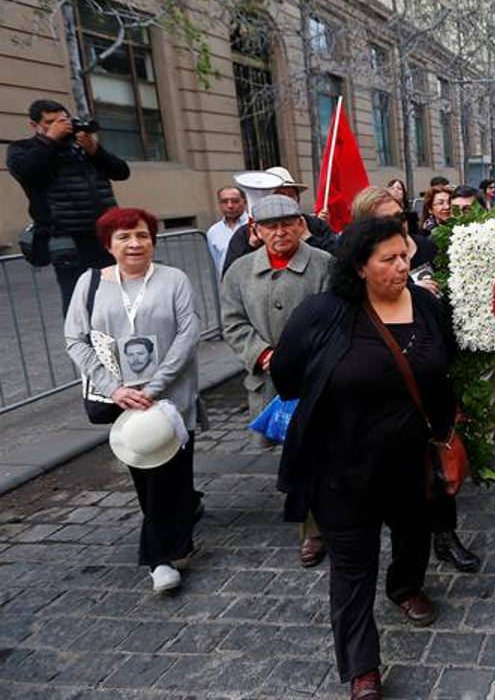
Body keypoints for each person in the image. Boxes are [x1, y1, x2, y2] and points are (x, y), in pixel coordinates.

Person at [272, 217, 457, 698]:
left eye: (406, 255)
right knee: (353, 569)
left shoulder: (427, 305)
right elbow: (288, 378)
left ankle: (406, 587)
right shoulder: (321, 313)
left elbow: (445, 365)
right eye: (390, 259)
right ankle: (362, 668)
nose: (403, 266)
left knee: (414, 536)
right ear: (359, 267)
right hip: (342, 468)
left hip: (413, 463)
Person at [64, 207, 201, 593]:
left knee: (171, 470)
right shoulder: (89, 283)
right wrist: (113, 388)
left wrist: (155, 387)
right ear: (108, 245)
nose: (135, 243)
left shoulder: (174, 279)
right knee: (147, 474)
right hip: (123, 399)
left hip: (170, 395)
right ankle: (170, 543)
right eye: (124, 237)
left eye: (142, 235)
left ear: (153, 241)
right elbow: (76, 339)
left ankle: (164, 553)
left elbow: (187, 335)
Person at [350, 188, 478, 572]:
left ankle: (445, 535)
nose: (395, 227)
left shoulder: (426, 247)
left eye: (398, 217)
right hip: (383, 393)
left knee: (437, 467)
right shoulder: (351, 272)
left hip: (429, 375)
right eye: (382, 221)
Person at [221, 194, 332, 567]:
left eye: (288, 223)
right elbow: (233, 323)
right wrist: (265, 355)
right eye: (270, 226)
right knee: (296, 456)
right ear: (257, 230)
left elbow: (338, 316)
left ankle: (333, 518)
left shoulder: (325, 265)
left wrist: (313, 359)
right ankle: (311, 529)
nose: (280, 232)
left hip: (320, 378)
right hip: (272, 383)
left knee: (325, 451)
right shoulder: (239, 272)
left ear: (302, 226)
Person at [8, 99, 131, 314]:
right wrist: (50, 140)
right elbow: (27, 171)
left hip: (104, 234)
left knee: (114, 294)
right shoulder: (23, 149)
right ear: (34, 125)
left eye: (63, 120)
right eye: (50, 122)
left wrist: (95, 150)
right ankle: (83, 346)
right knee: (78, 300)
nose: (59, 126)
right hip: (66, 238)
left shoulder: (81, 148)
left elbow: (122, 172)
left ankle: (117, 345)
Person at [222, 167, 339, 276]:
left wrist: (309, 239)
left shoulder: (315, 224)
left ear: (297, 198)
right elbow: (231, 277)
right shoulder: (244, 234)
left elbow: (340, 259)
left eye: (291, 195)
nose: (285, 200)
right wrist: (251, 247)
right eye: (280, 195)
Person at [206, 185, 248, 276]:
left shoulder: (255, 225)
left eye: (235, 201)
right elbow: (218, 263)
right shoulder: (213, 232)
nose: (230, 206)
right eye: (224, 201)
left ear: (245, 202)